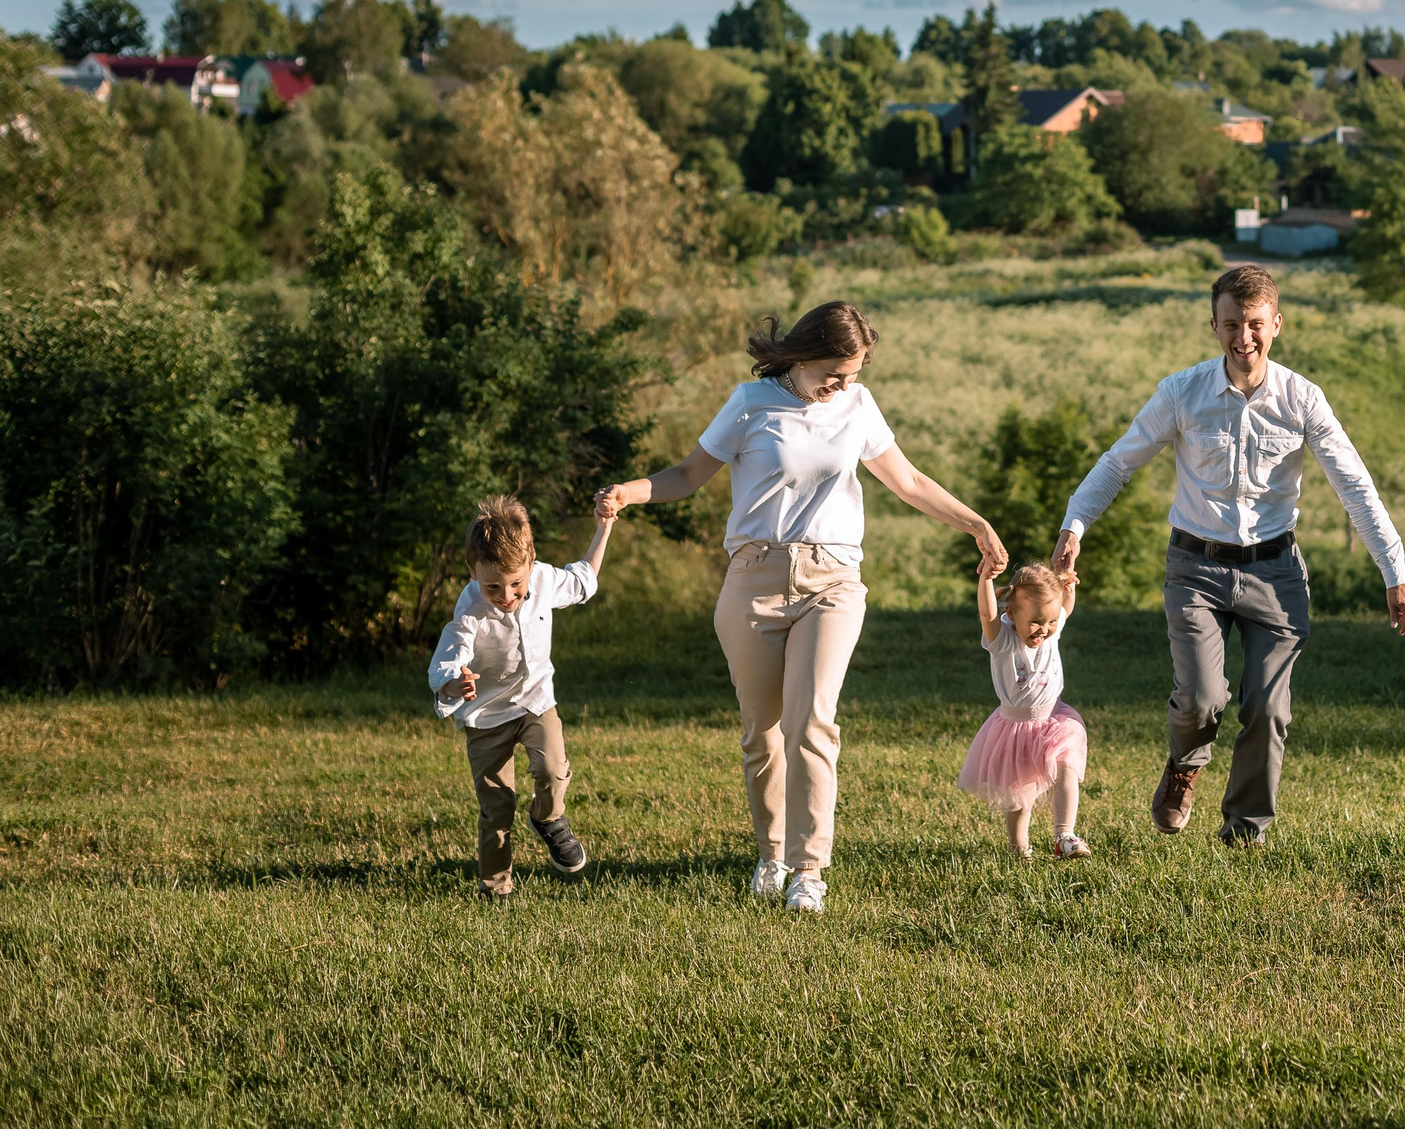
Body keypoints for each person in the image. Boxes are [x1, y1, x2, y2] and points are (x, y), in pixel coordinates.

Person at [595, 300, 1009, 915]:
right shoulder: (750, 404)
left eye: (853, 375)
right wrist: (630, 492)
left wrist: (976, 524)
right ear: (802, 356)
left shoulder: (858, 406)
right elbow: (687, 473)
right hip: (753, 580)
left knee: (812, 721)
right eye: (833, 374)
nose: (841, 386)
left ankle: (809, 870)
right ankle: (772, 855)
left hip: (833, 581)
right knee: (762, 733)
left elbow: (909, 482)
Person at [1052, 264, 1405, 848]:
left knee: (1268, 709)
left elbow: (1355, 486)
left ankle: (1245, 832)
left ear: (1277, 324)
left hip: (1276, 571)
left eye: (1254, 324)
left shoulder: (1303, 400)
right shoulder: (1182, 393)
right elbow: (1119, 462)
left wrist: (1394, 572)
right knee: (1201, 699)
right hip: (1195, 567)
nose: (1243, 337)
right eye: (1231, 324)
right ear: (1214, 327)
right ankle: (1185, 764)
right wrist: (1076, 523)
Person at [429, 494, 613, 900]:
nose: (507, 595)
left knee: (552, 769)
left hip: (535, 701)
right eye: (492, 586)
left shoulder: (543, 579)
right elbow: (447, 660)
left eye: (516, 583)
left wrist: (604, 526)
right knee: (497, 807)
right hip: (485, 715)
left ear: (531, 564)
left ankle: (548, 818)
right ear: (473, 572)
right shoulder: (470, 608)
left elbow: (583, 580)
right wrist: (456, 683)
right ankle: (496, 888)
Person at [958, 556, 1090, 861]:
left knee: (1066, 768)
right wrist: (986, 579)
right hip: (1015, 728)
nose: (1044, 629)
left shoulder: (1052, 627)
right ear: (1011, 613)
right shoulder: (1002, 640)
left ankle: (1065, 835)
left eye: (1050, 622)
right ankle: (1019, 850)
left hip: (1055, 719)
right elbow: (986, 612)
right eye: (1036, 622)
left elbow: (1065, 610)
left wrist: (1068, 587)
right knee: (1019, 795)